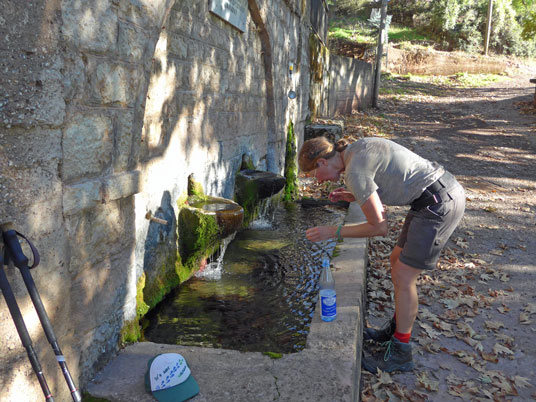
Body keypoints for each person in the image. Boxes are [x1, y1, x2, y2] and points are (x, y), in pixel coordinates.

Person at [299, 136, 465, 373]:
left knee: (404, 276)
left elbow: (379, 227)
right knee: (396, 261)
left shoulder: (354, 172)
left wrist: (332, 231)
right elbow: (389, 178)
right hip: (433, 197)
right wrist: (355, 196)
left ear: (321, 163)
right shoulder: (355, 150)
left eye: (313, 173)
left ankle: (401, 352)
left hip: (439, 204)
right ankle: (394, 331)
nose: (317, 179)